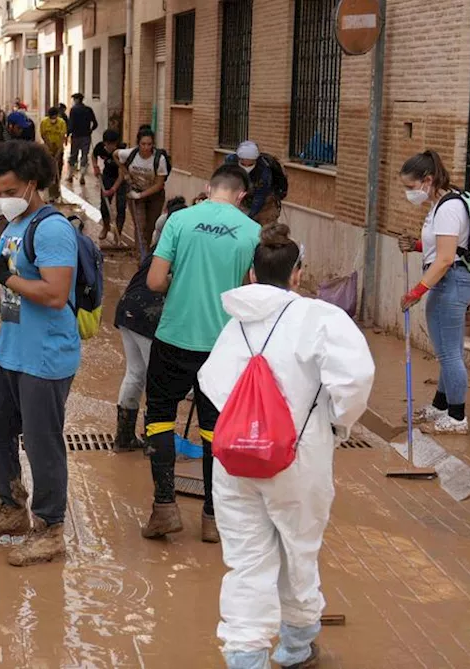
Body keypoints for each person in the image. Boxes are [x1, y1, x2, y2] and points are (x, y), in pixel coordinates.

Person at [197, 223, 374, 669]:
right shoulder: (321, 318)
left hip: (235, 460)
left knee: (246, 562)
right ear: (298, 273)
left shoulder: (234, 324)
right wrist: (337, 424)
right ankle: (295, 646)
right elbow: (354, 380)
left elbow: (210, 383)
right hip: (298, 458)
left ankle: (244, 656)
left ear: (252, 275)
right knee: (298, 550)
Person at [0, 140, 80, 567]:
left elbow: (53, 294)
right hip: (10, 350)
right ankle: (11, 506)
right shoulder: (12, 226)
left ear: (32, 184)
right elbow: (10, 290)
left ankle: (50, 529)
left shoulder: (52, 229)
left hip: (45, 357)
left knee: (42, 442)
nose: (1, 199)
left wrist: (5, 282)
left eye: (8, 190)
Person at [141, 164, 260, 545]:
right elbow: (254, 292)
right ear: (241, 196)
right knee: (216, 429)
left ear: (209, 188)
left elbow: (155, 281)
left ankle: (164, 509)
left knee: (160, 417)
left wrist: (183, 280)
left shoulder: (180, 220)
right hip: (223, 346)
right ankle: (212, 519)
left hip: (174, 335)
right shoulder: (252, 232)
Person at [396, 149, 470, 435]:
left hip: (451, 282)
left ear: (427, 180)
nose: (409, 193)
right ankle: (441, 405)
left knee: (449, 354)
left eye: (410, 186)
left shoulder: (448, 208)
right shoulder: (441, 203)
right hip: (449, 280)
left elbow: (445, 259)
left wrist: (416, 292)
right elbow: (446, 248)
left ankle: (457, 417)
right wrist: (416, 246)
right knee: (448, 351)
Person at [113, 199, 185, 452]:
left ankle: (124, 438)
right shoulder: (179, 253)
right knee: (157, 379)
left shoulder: (159, 247)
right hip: (148, 316)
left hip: (127, 310)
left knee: (135, 373)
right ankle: (155, 441)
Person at [115, 127, 169, 256]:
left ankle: (145, 253)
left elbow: (159, 184)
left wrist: (140, 195)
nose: (146, 147)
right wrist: (125, 173)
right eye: (143, 144)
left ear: (153, 144)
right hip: (134, 193)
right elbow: (115, 154)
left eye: (149, 144)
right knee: (140, 225)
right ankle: (140, 257)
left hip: (155, 196)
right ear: (138, 144)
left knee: (150, 227)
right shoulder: (130, 154)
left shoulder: (159, 160)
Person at [224, 141, 285, 225]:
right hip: (240, 196)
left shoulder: (264, 169)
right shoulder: (230, 163)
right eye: (243, 164)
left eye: (250, 164)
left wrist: (249, 218)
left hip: (265, 201)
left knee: (265, 227)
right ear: (239, 159)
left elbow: (260, 196)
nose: (246, 167)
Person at [93, 129, 127, 243]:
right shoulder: (99, 147)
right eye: (109, 144)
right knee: (104, 206)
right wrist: (95, 166)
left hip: (121, 180)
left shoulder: (121, 151)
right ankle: (106, 226)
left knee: (121, 207)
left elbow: (122, 175)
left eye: (114, 144)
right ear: (104, 143)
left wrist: (113, 189)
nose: (112, 147)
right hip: (107, 176)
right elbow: (93, 155)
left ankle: (118, 233)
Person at [66, 93, 98, 185]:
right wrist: (90, 130)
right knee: (84, 155)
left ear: (76, 100)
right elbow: (95, 123)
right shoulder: (88, 110)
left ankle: (70, 175)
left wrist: (68, 134)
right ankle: (82, 176)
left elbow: (71, 124)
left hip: (76, 136)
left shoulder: (73, 110)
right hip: (86, 136)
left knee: (73, 156)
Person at [39, 107, 67, 201]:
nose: (53, 120)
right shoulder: (44, 123)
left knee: (57, 170)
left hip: (59, 150)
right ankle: (49, 194)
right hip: (48, 150)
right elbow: (43, 135)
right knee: (49, 171)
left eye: (54, 117)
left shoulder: (62, 123)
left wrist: (58, 154)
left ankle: (56, 192)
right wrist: (49, 148)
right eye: (51, 117)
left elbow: (62, 138)